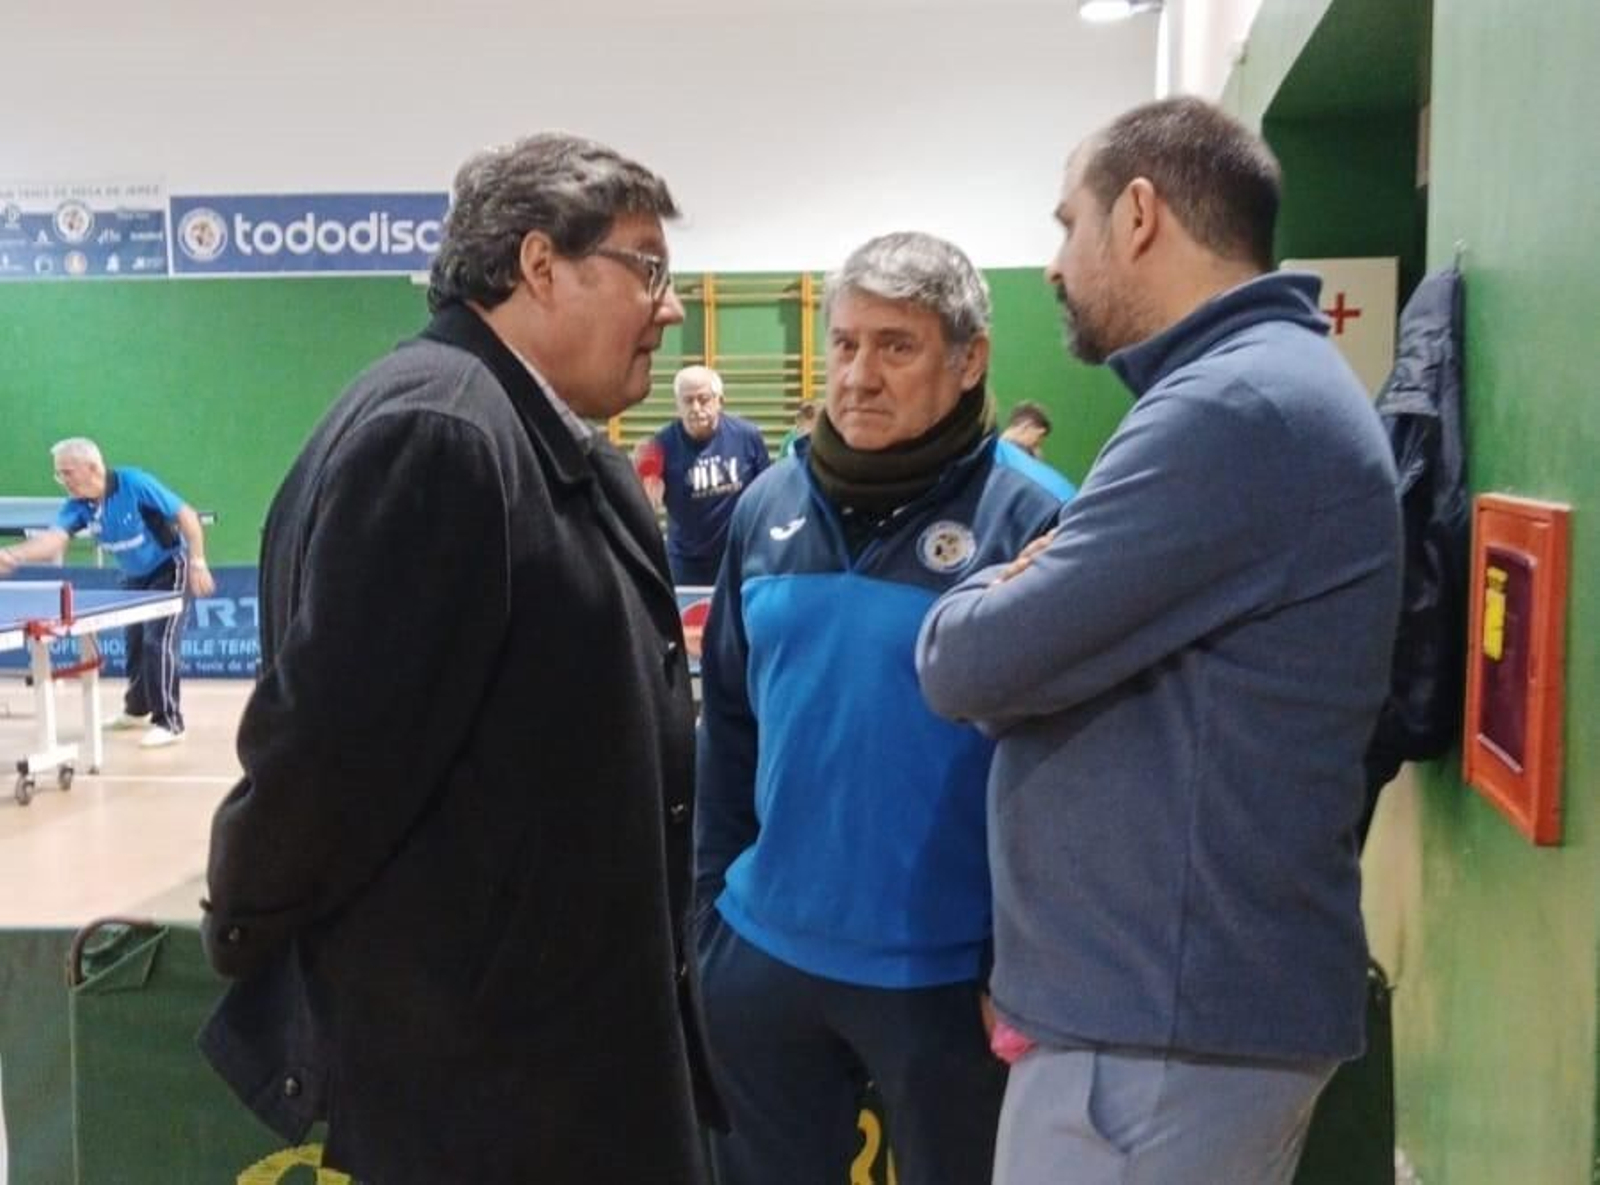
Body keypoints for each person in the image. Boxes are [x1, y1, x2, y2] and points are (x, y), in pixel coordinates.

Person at [197, 133, 721, 1184]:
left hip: (549, 1062)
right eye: (646, 268)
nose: (667, 307)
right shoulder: (441, 436)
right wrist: (247, 925)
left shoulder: (524, 433)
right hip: (495, 1091)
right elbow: (326, 751)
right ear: (537, 266)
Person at [915, 97, 1402, 1185]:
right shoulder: (1250, 388)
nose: (1053, 262)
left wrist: (995, 588)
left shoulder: (1231, 411)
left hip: (1163, 1036)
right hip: (1162, 1017)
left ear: (1137, 215)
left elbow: (968, 662)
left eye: (1063, 223)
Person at [695, 231, 1075, 1185]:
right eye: (846, 344)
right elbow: (730, 725)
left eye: (896, 346)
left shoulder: (1035, 519)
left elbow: (1072, 771)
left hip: (951, 987)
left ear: (968, 359)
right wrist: (709, 920)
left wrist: (1012, 963)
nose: (859, 375)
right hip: (765, 962)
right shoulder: (766, 507)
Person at [0, 437, 215, 747]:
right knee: (136, 643)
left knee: (159, 641)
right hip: (134, 575)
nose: (63, 481)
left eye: (67, 472)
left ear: (91, 467)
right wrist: (13, 555)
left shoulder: (135, 483)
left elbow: (187, 516)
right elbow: (53, 541)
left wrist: (198, 561)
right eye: (59, 474)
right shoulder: (78, 506)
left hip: (171, 567)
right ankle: (137, 709)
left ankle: (170, 721)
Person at [637, 364, 770, 585]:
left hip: (738, 556)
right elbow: (647, 499)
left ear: (720, 401)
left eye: (703, 399)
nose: (696, 408)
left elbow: (766, 496)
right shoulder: (661, 445)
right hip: (687, 564)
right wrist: (648, 491)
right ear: (677, 405)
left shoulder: (748, 436)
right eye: (687, 400)